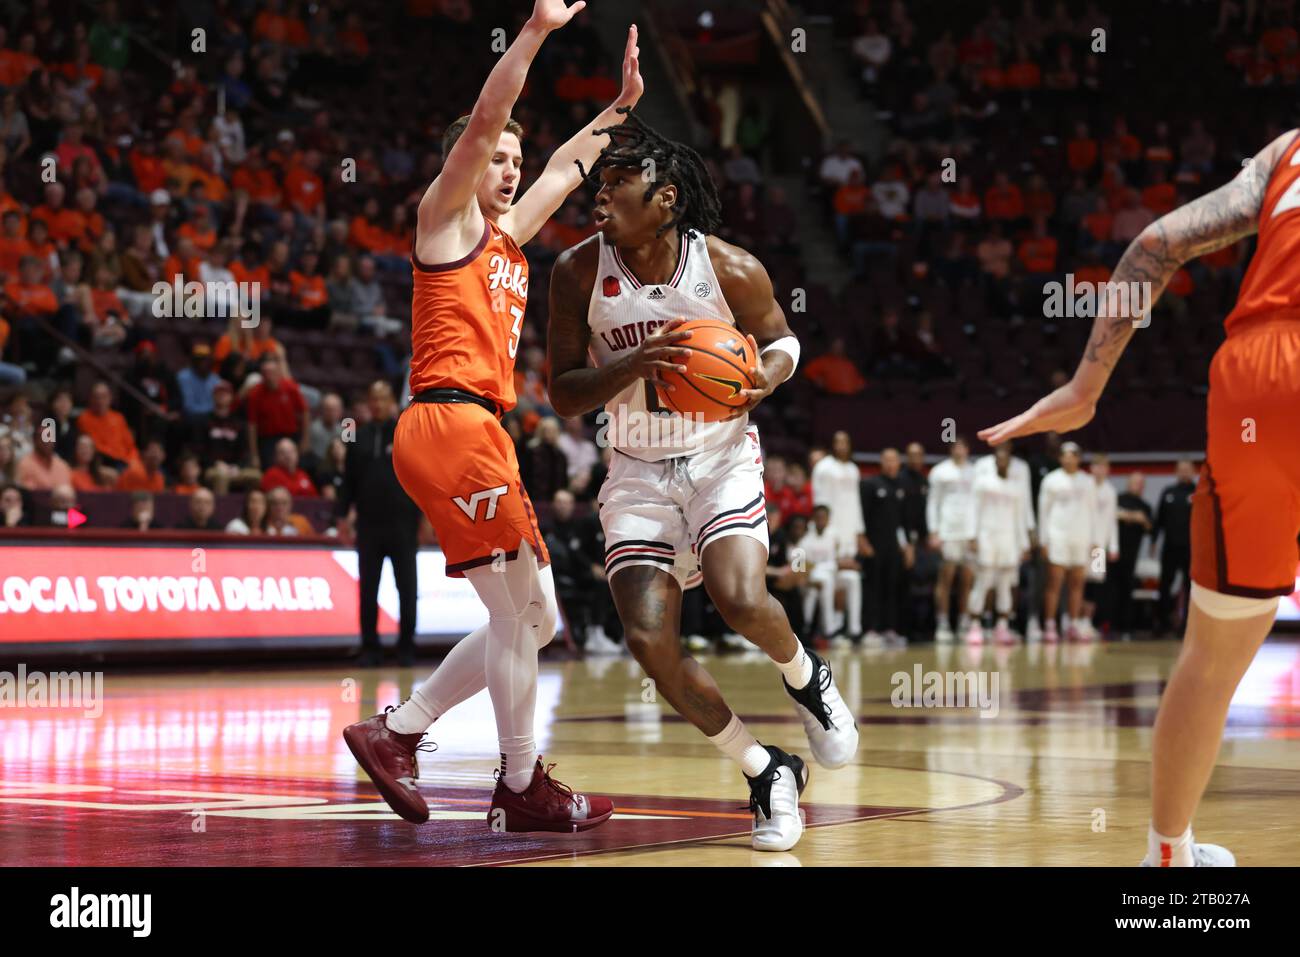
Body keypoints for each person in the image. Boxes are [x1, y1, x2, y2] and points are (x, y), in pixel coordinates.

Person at [345, 3, 646, 836]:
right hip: (449, 423)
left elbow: (565, 169)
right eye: (498, 158)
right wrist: (539, 31)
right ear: (465, 164)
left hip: (480, 432)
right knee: (518, 615)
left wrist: (619, 110)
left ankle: (398, 731)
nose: (511, 169)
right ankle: (519, 784)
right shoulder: (443, 220)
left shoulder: (510, 239)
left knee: (538, 614)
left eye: (516, 158)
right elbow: (486, 118)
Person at [981, 127, 1300, 867]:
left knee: (1213, 657)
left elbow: (1155, 243)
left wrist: (1087, 385)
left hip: (1256, 375)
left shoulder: (1290, 149)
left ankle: (1167, 858)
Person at [546, 108, 858, 852]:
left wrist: (766, 377)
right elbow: (561, 389)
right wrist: (631, 365)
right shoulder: (576, 271)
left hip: (720, 454)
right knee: (649, 641)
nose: (600, 195)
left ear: (667, 200)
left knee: (741, 596)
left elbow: (783, 339)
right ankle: (765, 770)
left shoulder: (728, 266)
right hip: (635, 468)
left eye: (621, 183)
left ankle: (805, 674)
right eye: (600, 182)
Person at [337, 380, 422, 667]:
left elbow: (423, 478)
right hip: (368, 526)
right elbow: (347, 482)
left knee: (407, 589)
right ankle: (370, 648)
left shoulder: (406, 434)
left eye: (383, 398)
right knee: (368, 590)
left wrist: (427, 518)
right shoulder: (356, 439)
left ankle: (407, 648)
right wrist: (341, 516)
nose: (378, 404)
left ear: (391, 402)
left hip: (403, 525)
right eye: (373, 399)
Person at [966, 444, 1030, 644]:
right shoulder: (983, 483)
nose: (1002, 462)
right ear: (994, 462)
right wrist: (972, 535)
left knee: (1005, 583)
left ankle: (1002, 626)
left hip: (1008, 538)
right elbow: (973, 509)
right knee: (983, 580)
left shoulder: (1016, 486)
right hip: (986, 536)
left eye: (1006, 459)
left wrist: (1024, 543)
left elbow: (1020, 516)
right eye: (999, 459)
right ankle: (975, 625)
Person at [1035, 441, 1097, 641]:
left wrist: (1094, 541)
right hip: (1057, 537)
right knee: (1054, 582)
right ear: (1060, 458)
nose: (1069, 458)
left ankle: (1072, 623)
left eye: (1073, 455)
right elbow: (1043, 513)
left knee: (1077, 583)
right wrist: (1043, 540)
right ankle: (1050, 625)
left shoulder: (1088, 481)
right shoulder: (1051, 480)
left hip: (1080, 538)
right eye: (1065, 455)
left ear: (1079, 458)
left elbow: (1093, 512)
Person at [926, 437, 976, 642]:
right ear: (951, 449)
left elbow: (978, 504)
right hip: (947, 530)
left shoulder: (975, 472)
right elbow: (932, 502)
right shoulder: (939, 471)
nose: (959, 450)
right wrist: (934, 531)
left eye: (963, 447)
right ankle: (943, 622)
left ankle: (964, 621)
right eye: (955, 447)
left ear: (967, 449)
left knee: (967, 579)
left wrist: (976, 533)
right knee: (946, 578)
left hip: (969, 532)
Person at [860, 447, 909, 645]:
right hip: (873, 545)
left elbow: (903, 521)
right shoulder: (870, 484)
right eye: (887, 460)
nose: (890, 464)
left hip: (894, 547)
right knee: (873, 586)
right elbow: (861, 514)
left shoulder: (902, 487)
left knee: (892, 586)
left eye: (894, 460)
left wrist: (906, 545)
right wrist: (862, 540)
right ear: (881, 462)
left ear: (899, 462)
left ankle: (890, 629)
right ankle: (871, 629)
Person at [797, 504, 861, 644]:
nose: (821, 521)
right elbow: (798, 568)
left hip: (833, 572)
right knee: (825, 579)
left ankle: (854, 630)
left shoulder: (834, 535)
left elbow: (839, 559)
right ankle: (829, 630)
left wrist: (843, 564)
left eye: (823, 518)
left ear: (828, 519)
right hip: (815, 576)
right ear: (813, 520)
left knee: (853, 578)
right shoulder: (805, 540)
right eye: (818, 518)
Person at [1152, 458, 1196, 637]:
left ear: (1193, 471)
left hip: (1191, 549)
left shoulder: (1198, 493)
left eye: (1187, 469)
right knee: (1164, 585)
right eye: (1181, 469)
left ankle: (1187, 626)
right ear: (1176, 471)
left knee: (1189, 588)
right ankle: (1162, 624)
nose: (1184, 472)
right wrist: (1154, 542)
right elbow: (1159, 520)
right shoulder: (1168, 492)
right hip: (1169, 547)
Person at [1114, 472, 1154, 638]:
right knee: (1098, 584)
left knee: (1126, 587)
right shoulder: (1116, 498)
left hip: (1130, 554)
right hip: (1101, 551)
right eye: (1133, 482)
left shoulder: (1145, 506)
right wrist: (1129, 516)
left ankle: (1125, 627)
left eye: (1139, 483)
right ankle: (1100, 623)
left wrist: (1142, 520)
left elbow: (1151, 529)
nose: (1136, 485)